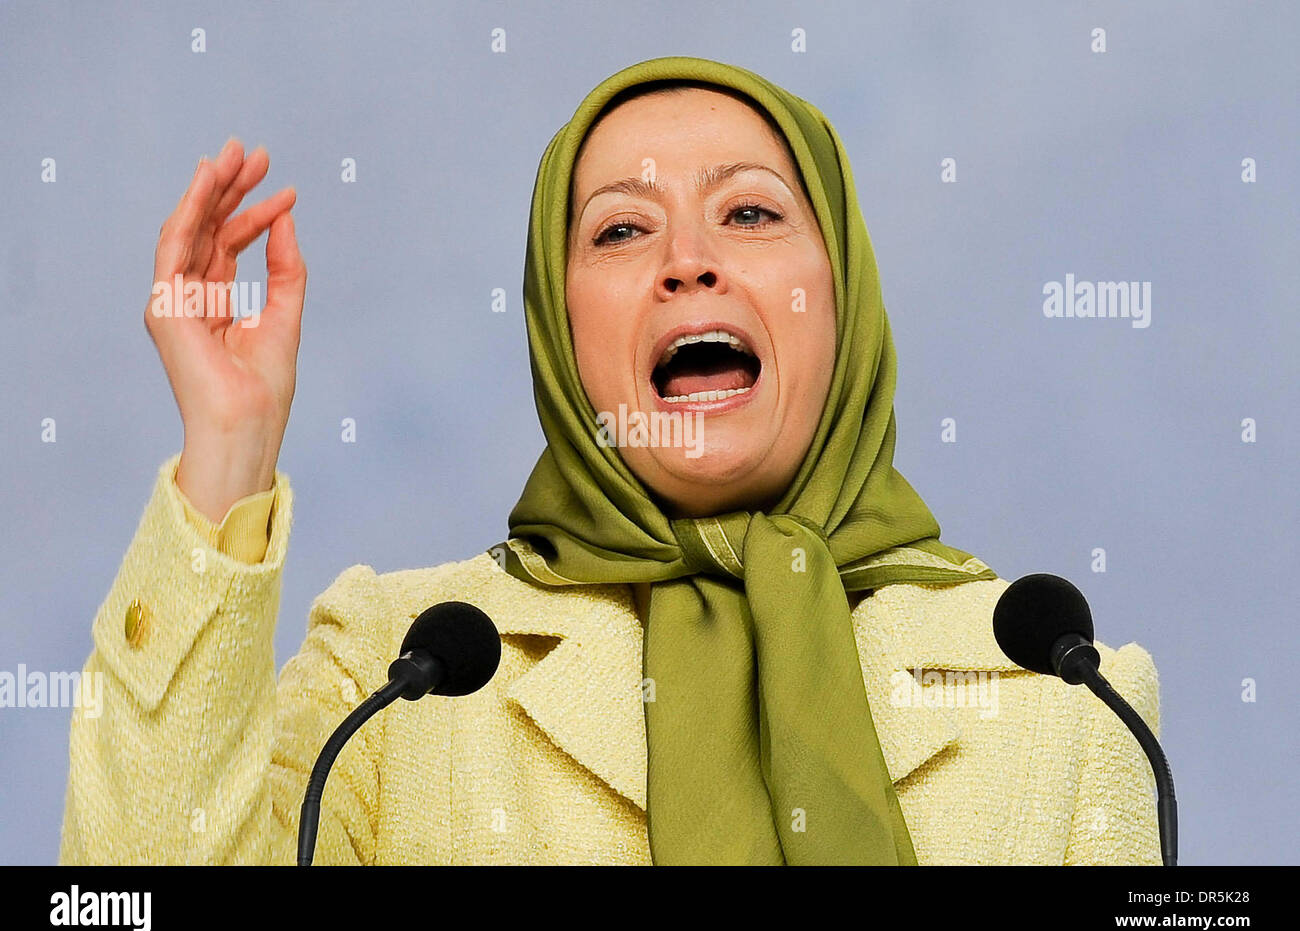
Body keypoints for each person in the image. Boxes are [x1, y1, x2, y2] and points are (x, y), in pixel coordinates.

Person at [59, 55, 1162, 865]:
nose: (689, 262)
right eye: (623, 232)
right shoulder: (399, 674)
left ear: (843, 301)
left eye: (749, 212)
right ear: (558, 324)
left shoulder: (1059, 688)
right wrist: (228, 445)